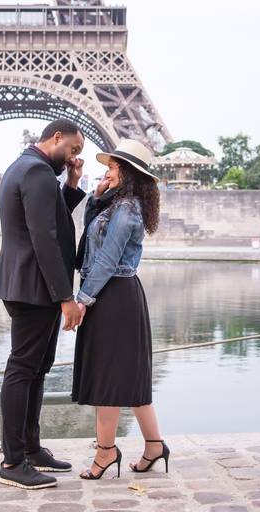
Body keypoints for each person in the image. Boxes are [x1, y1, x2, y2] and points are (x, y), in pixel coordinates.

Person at [0, 119, 88, 490]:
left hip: (30, 285)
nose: (74, 158)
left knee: (37, 368)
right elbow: (45, 237)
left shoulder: (28, 167)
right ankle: (13, 461)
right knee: (22, 368)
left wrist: (73, 184)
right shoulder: (36, 171)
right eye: (74, 150)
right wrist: (66, 297)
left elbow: (49, 217)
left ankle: (30, 448)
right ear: (57, 138)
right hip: (35, 287)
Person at [71, 139, 169, 480]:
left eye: (111, 167)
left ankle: (105, 452)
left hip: (113, 296)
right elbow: (88, 242)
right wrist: (96, 198)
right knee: (127, 377)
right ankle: (154, 445)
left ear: (125, 172)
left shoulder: (127, 209)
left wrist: (82, 299)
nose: (106, 171)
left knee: (108, 380)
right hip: (112, 294)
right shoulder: (117, 204)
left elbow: (108, 259)